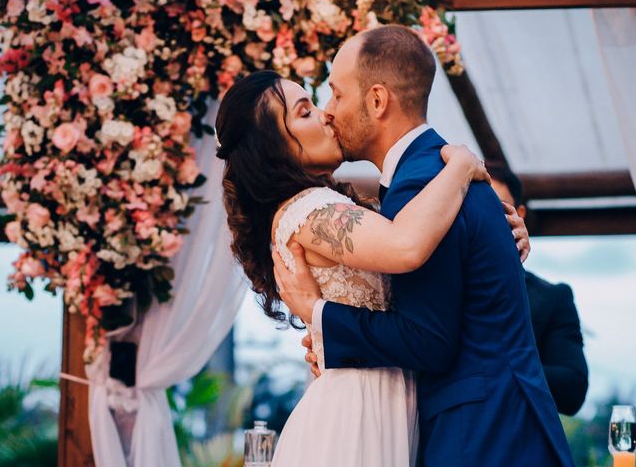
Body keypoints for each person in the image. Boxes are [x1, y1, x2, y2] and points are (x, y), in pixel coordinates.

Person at [272, 25, 576, 466]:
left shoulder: (422, 185)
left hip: (485, 436)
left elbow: (427, 338)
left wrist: (319, 316)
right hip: (495, 425)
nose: (329, 111)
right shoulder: (433, 177)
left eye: (336, 95)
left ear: (377, 101)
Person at [215, 71, 529, 465]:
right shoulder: (309, 211)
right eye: (305, 112)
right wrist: (461, 167)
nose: (326, 115)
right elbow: (406, 245)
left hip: (388, 401)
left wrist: (500, 236)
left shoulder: (330, 205)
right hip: (354, 415)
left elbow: (427, 257)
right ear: (273, 147)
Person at [487, 162, 589, 415]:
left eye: (495, 208)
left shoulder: (551, 298)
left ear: (518, 213)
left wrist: (498, 367)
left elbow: (573, 388)